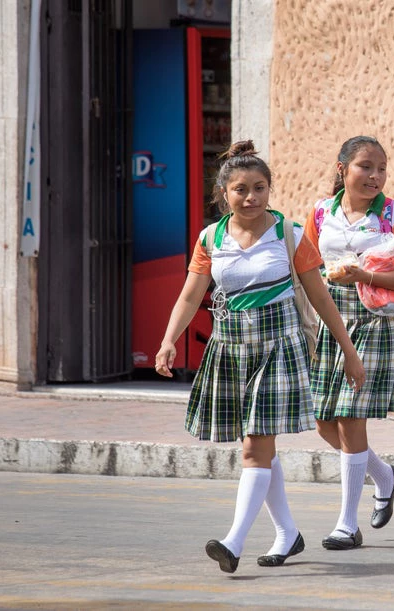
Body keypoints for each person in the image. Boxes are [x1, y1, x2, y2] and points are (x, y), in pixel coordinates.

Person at [155, 140, 366, 573]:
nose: (251, 197)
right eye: (240, 190)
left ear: (270, 189)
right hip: (231, 348)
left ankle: (232, 543)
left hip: (279, 348)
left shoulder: (289, 233)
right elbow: (191, 294)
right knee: (259, 449)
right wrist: (168, 340)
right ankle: (288, 534)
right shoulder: (210, 238)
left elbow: (320, 297)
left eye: (260, 187)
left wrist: (348, 350)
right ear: (223, 194)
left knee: (254, 447)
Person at [302, 136, 394, 550]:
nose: (375, 176)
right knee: (324, 421)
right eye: (365, 167)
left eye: (381, 169)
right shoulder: (322, 212)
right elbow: (307, 267)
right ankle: (385, 476)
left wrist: (365, 276)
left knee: (351, 418)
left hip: (374, 320)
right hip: (330, 318)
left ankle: (346, 525)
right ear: (342, 169)